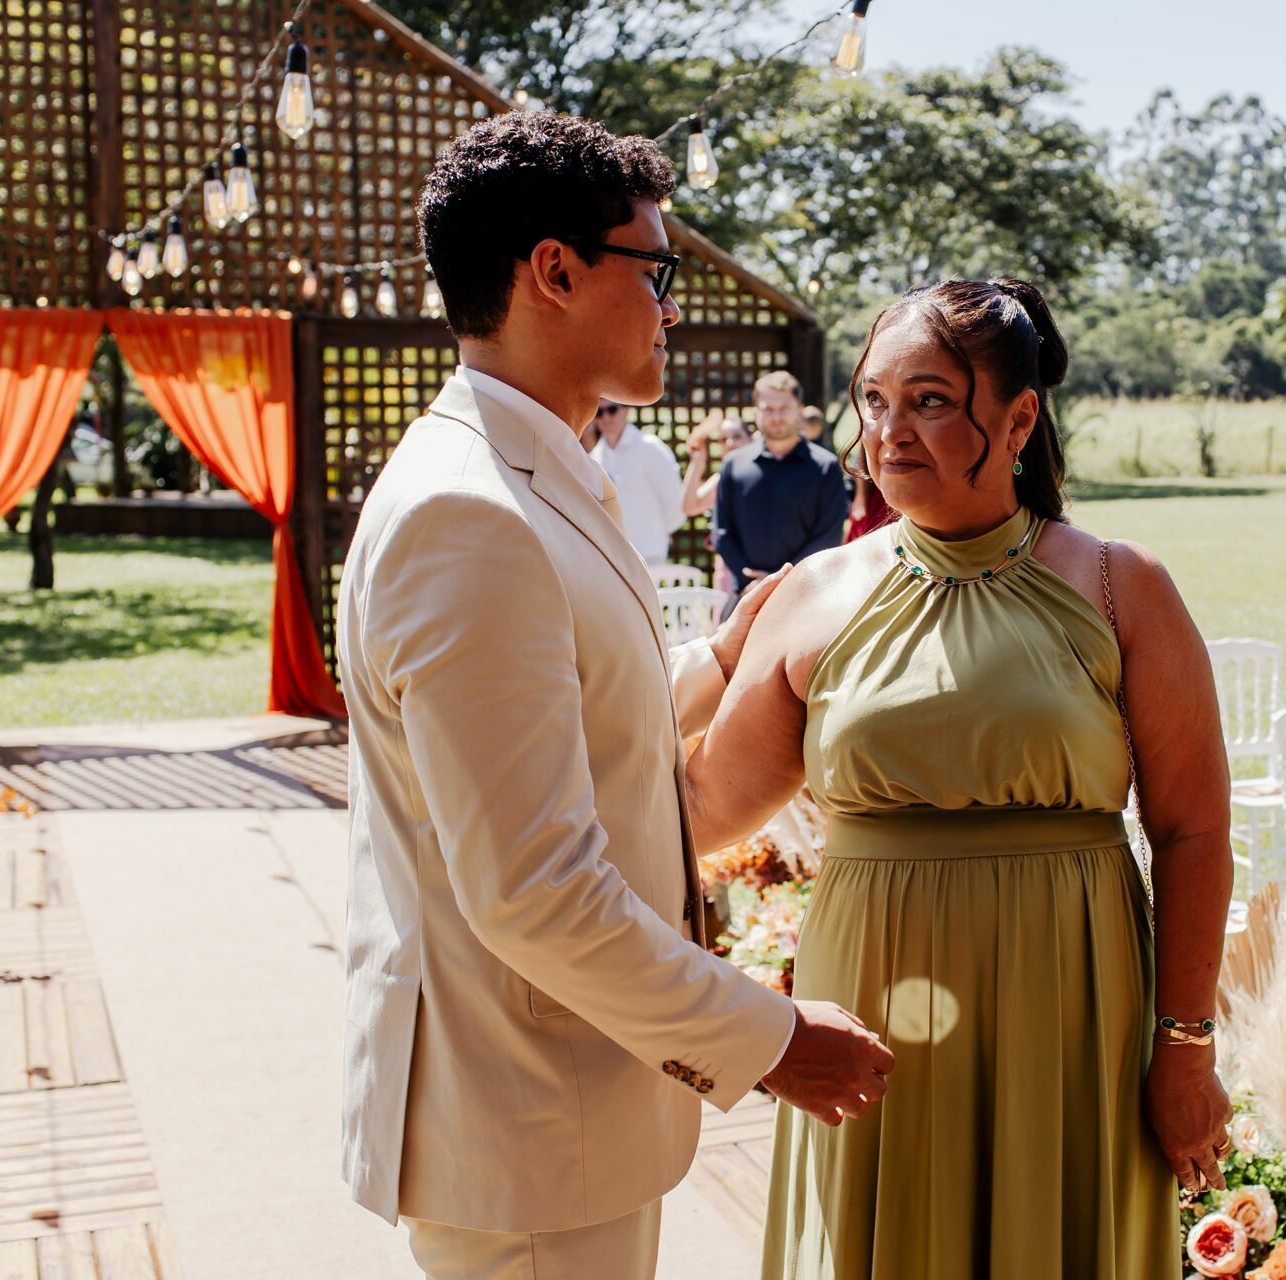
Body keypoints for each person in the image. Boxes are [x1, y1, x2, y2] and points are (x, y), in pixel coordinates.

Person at [336, 112, 892, 1280]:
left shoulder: (530, 468)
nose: (670, 309)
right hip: (524, 1115)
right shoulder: (468, 513)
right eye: (655, 271)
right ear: (555, 270)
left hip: (559, 1106)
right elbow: (534, 888)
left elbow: (574, 716)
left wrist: (726, 658)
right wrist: (770, 1035)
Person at [684, 279, 1234, 1278]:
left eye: (930, 400)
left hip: (1074, 1011)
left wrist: (1185, 1045)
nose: (889, 431)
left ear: (1018, 420)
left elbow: (1192, 832)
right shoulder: (812, 595)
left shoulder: (1121, 586)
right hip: (871, 1010)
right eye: (873, 400)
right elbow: (700, 809)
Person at [712, 370, 847, 613]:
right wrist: (751, 581)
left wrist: (779, 582)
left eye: (784, 408)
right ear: (756, 412)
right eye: (768, 409)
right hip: (745, 596)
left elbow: (828, 537)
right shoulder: (733, 465)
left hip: (806, 602)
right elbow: (722, 533)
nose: (776, 416)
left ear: (800, 410)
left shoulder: (826, 468)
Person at [590, 398, 687, 564]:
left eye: (612, 410)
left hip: (650, 554)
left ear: (626, 410)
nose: (605, 417)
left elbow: (675, 502)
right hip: (612, 557)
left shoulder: (649, 447)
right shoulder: (595, 457)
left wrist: (658, 535)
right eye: (599, 412)